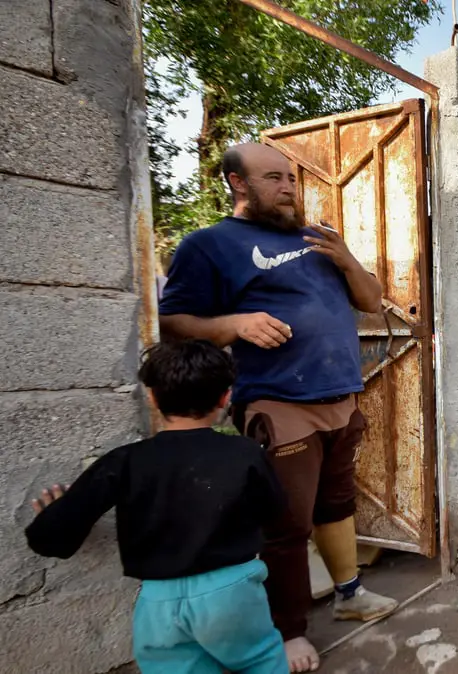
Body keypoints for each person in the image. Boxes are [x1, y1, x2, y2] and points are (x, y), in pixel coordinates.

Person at [158, 142, 392, 673]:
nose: (288, 186)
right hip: (277, 400)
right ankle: (288, 632)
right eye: (273, 178)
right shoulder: (209, 245)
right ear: (238, 184)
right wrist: (235, 325)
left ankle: (350, 594)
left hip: (339, 394)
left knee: (336, 504)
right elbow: (173, 322)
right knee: (285, 521)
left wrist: (348, 259)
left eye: (291, 177)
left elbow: (372, 300)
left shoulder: (316, 240)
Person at [24, 340, 288, 674]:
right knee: (260, 660)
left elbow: (49, 540)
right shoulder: (245, 453)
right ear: (225, 397)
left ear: (151, 397)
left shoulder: (124, 462)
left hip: (158, 601)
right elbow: (276, 511)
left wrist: (54, 514)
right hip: (231, 592)